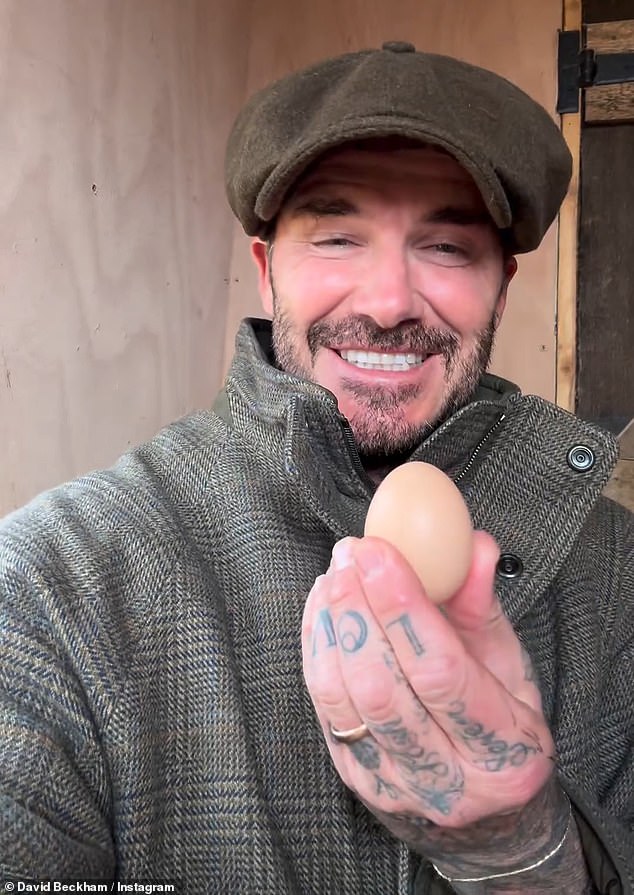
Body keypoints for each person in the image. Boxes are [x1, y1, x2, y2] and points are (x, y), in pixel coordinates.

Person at [0, 41, 632, 895]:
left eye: (446, 246)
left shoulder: (618, 572)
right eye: (336, 236)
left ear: (502, 287)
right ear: (266, 271)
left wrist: (528, 853)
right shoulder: (54, 583)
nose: (386, 302)